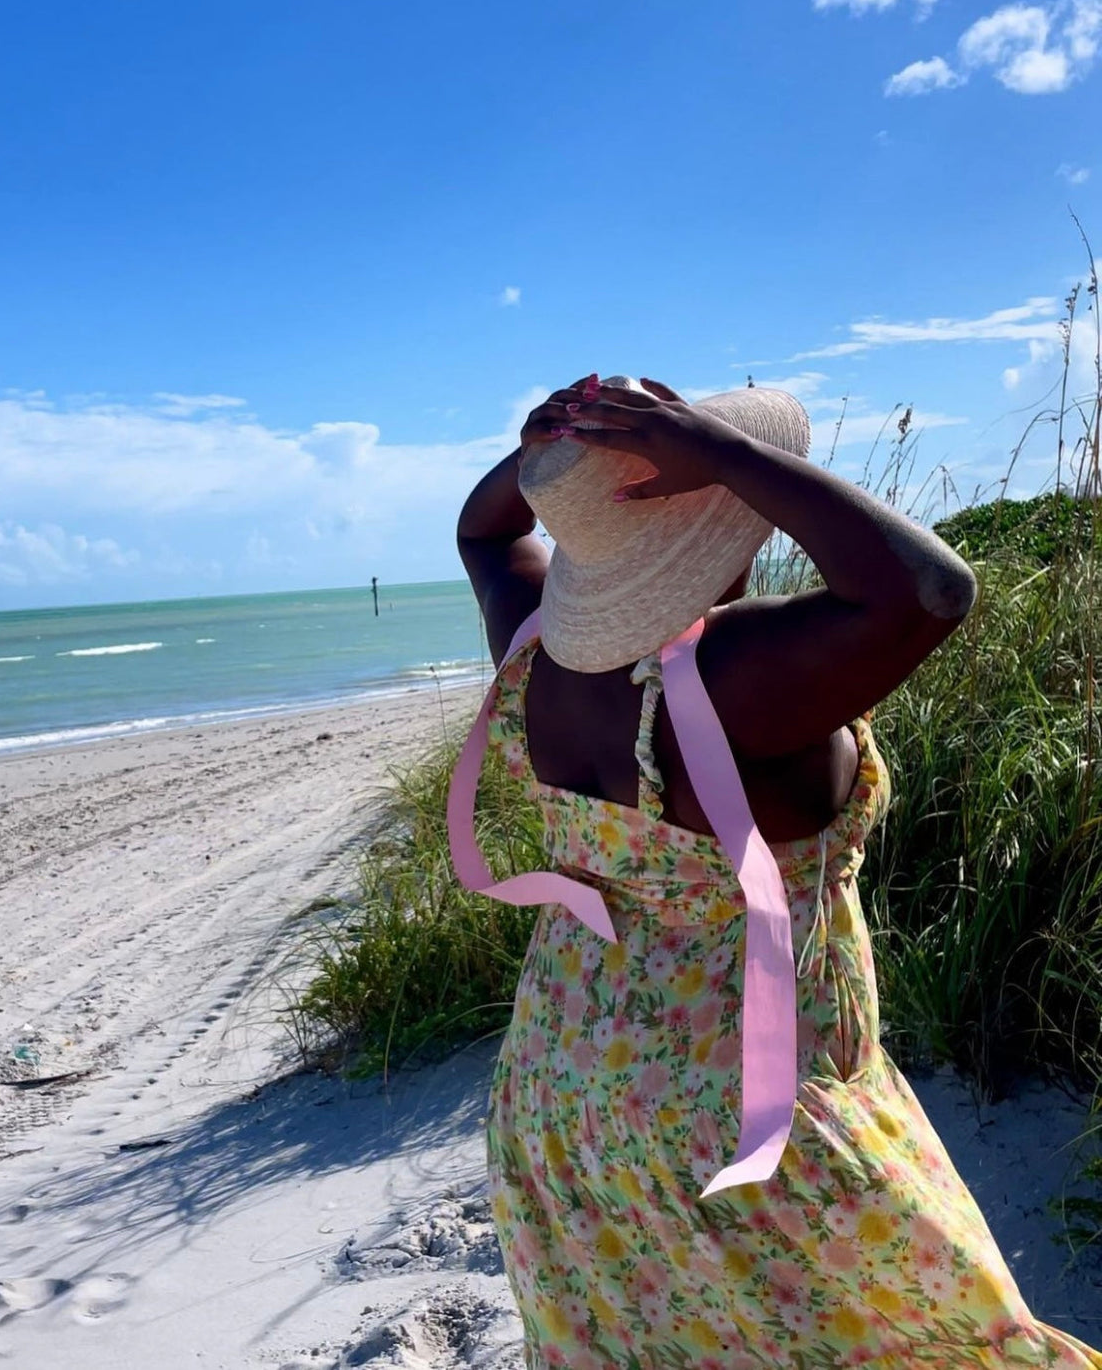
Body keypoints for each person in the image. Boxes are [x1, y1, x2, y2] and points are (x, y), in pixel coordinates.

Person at [452, 374, 1102, 1370]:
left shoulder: (539, 650)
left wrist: (550, 457)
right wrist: (721, 451)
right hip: (752, 1101)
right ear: (729, 509)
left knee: (655, 1337)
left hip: (561, 1090)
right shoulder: (745, 669)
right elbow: (933, 589)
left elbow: (483, 536)